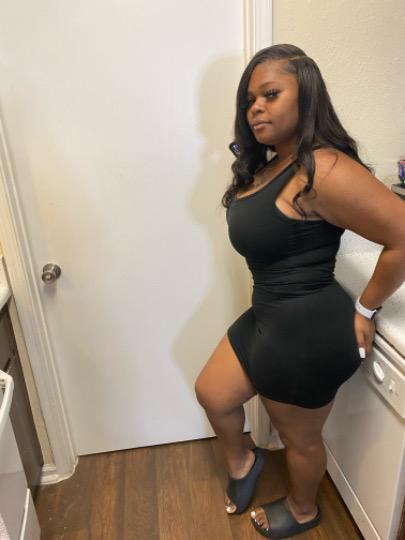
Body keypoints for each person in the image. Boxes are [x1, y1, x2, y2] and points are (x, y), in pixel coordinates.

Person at [194, 44, 405, 539]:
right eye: (249, 100)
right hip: (267, 315)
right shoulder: (273, 166)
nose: (256, 108)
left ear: (305, 96)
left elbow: (402, 235)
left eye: (270, 95)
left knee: (300, 441)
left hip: (307, 335)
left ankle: (304, 509)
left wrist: (366, 307)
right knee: (213, 393)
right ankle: (244, 462)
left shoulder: (322, 167)